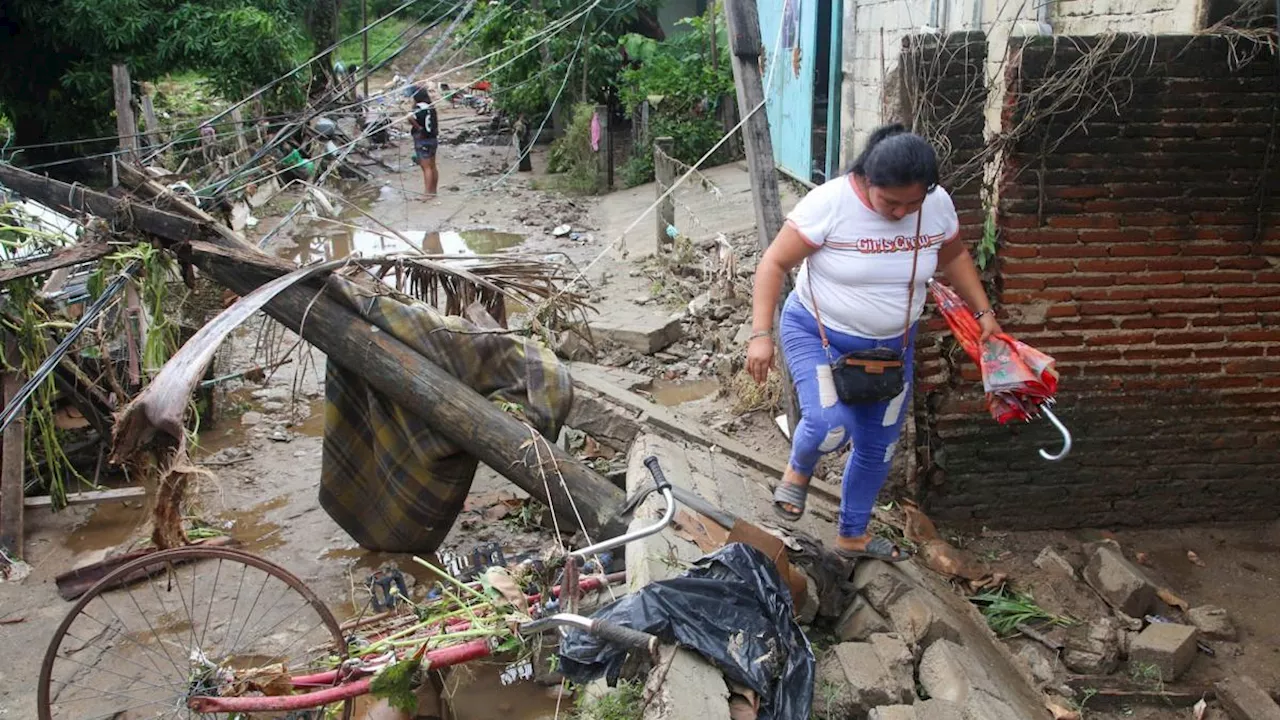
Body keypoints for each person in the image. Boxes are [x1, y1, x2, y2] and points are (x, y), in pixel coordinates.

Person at [746, 124, 1001, 562]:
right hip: (817, 335)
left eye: (912, 203)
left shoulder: (936, 207)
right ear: (866, 179)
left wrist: (984, 312)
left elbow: (954, 255)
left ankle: (852, 535)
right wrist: (760, 335)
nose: (902, 212)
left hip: (890, 351)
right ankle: (800, 468)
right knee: (829, 426)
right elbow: (774, 261)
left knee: (877, 444)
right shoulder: (830, 204)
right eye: (890, 202)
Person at [406, 84, 439, 197]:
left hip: (422, 139)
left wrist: (418, 127)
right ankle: (433, 191)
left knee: (426, 167)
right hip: (432, 138)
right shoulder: (431, 106)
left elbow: (409, 117)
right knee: (433, 166)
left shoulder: (418, 108)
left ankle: (427, 193)